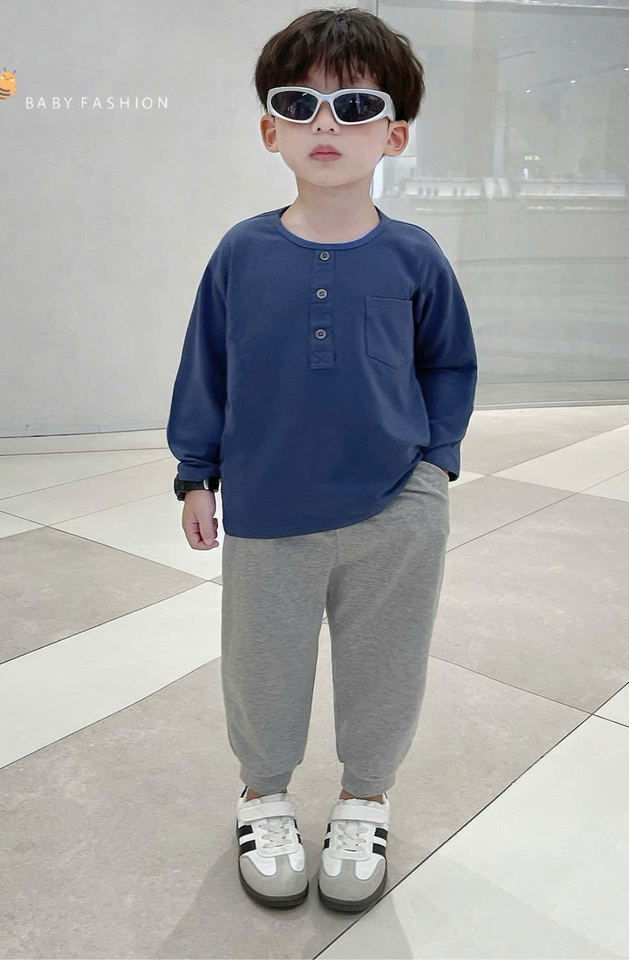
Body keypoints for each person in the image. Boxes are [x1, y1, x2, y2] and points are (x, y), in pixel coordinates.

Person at [165, 6, 478, 914]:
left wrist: (434, 467)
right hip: (268, 508)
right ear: (271, 130)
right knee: (263, 668)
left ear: (395, 133)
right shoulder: (242, 252)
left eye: (357, 105)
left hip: (397, 509)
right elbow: (206, 367)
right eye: (300, 104)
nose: (326, 124)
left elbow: (448, 363)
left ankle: (363, 800)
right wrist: (195, 473)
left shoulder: (414, 256)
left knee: (386, 667)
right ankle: (262, 797)